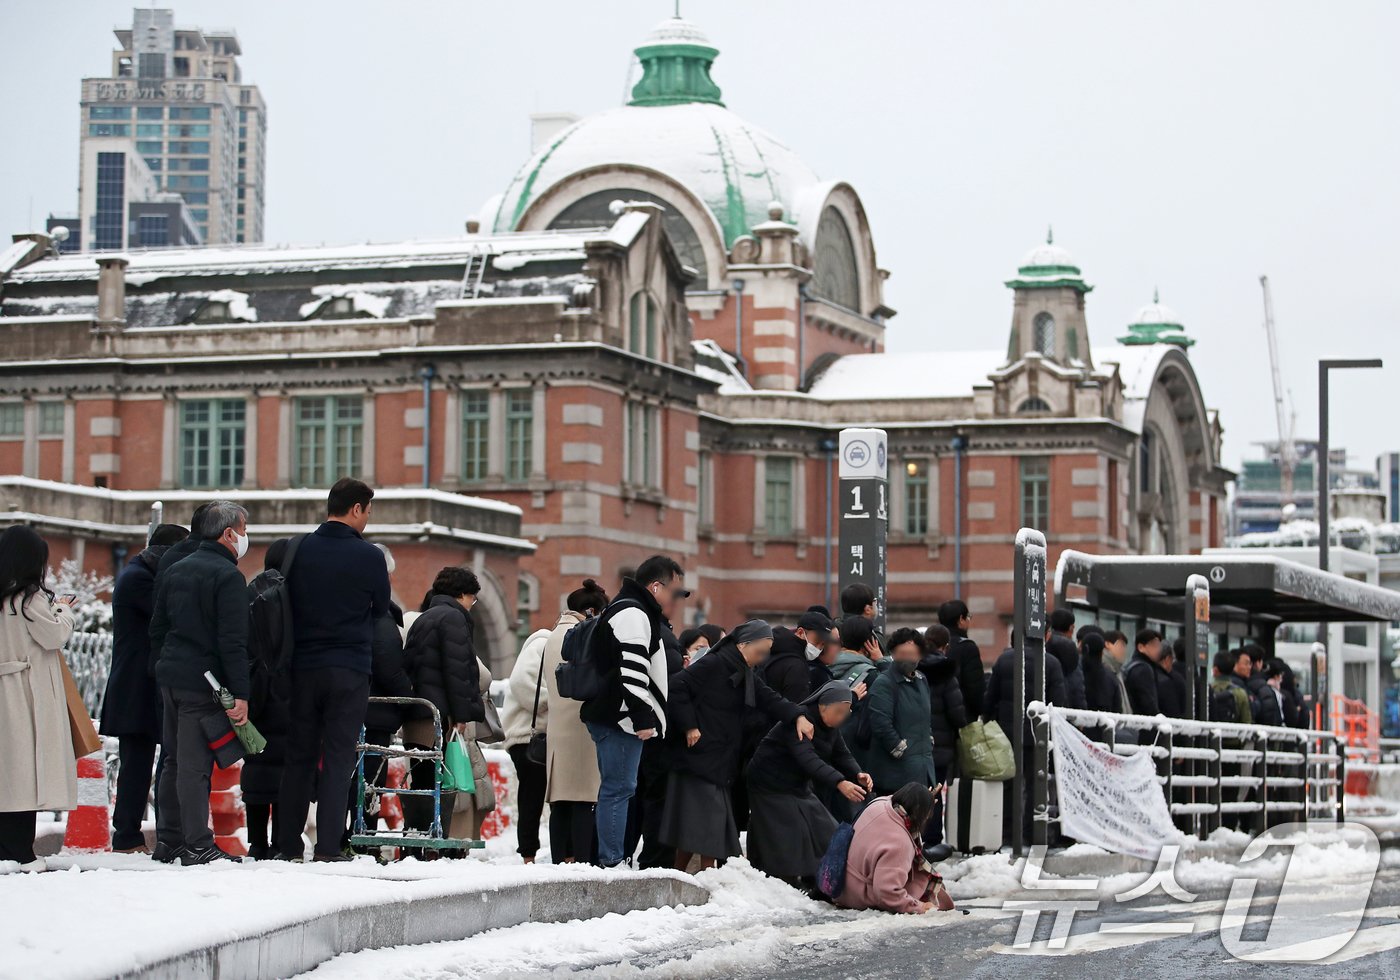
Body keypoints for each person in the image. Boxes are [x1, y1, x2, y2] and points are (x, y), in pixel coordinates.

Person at [277, 478, 390, 862]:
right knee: (339, 757)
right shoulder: (370, 557)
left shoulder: (299, 549)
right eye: (368, 511)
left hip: (302, 667)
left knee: (298, 757)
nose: (367, 519)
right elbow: (379, 610)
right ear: (357, 509)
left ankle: (287, 845)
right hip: (349, 668)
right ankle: (328, 847)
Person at [662, 620, 813, 872]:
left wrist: (797, 715)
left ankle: (681, 875)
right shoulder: (714, 662)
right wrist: (689, 725)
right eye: (761, 652)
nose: (763, 659)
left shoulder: (744, 671)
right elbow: (677, 686)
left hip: (720, 757)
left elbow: (770, 698)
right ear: (743, 645)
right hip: (700, 755)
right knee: (705, 824)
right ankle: (704, 876)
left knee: (699, 825)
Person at [149, 501, 251, 865]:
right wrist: (240, 693)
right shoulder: (227, 577)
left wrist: (163, 665)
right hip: (203, 681)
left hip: (171, 677)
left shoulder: (176, 569)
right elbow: (233, 642)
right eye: (242, 529)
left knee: (174, 760)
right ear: (227, 533)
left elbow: (157, 628)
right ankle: (197, 844)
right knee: (195, 765)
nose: (244, 537)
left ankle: (169, 840)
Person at [579, 555, 684, 868]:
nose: (675, 599)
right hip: (620, 718)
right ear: (656, 587)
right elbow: (633, 670)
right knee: (619, 789)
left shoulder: (631, 609)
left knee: (618, 788)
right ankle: (611, 860)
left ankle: (610, 858)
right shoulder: (634, 614)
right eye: (674, 591)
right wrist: (642, 717)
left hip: (616, 715)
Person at [100, 522, 189, 853]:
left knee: (153, 760)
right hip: (136, 685)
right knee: (136, 762)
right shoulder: (138, 578)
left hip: (146, 681)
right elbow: (167, 614)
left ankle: (145, 833)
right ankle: (126, 835)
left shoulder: (143, 572)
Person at [0, 526, 78, 869]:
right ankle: (19, 851)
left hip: (6, 683)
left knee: (7, 770)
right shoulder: (28, 599)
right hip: (23, 690)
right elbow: (54, 635)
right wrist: (63, 608)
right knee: (25, 772)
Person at [746, 682, 872, 888]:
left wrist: (857, 773)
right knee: (787, 834)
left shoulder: (831, 726)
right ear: (823, 705)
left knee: (825, 829)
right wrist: (840, 782)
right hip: (769, 784)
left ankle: (820, 879)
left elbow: (842, 753)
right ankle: (785, 882)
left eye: (845, 713)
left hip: (798, 785)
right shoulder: (800, 722)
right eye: (838, 712)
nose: (841, 718)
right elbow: (809, 759)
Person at [401, 567, 487, 841]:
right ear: (461, 594)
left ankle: (415, 841)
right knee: (437, 783)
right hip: (437, 718)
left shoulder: (426, 617)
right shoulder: (453, 618)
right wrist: (462, 716)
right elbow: (458, 670)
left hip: (418, 715)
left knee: (421, 780)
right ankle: (431, 842)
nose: (472, 605)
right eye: (472, 598)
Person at [342, 543, 413, 854]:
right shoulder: (381, 618)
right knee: (369, 783)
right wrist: (410, 697)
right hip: (375, 714)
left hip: (354, 709)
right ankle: (363, 840)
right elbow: (388, 667)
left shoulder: (349, 611)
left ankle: (352, 836)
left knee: (355, 778)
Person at [542, 579, 609, 864]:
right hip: (582, 727)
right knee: (583, 799)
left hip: (557, 728)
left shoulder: (551, 636)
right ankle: (581, 861)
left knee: (560, 801)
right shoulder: (586, 634)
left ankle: (560, 859)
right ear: (592, 610)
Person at [983, 632, 1067, 845]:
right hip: (1037, 735)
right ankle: (1032, 834)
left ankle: (1008, 834)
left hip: (1007, 734)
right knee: (1035, 785)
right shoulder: (1052, 663)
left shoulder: (1004, 659)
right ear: (1045, 635)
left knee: (1009, 785)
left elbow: (990, 697)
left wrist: (990, 722)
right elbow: (1059, 702)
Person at [241, 539, 293, 860]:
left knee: (256, 762)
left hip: (254, 690)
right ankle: (280, 841)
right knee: (286, 769)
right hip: (287, 692)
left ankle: (257, 841)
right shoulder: (293, 594)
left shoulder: (250, 590)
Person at [834, 783, 939, 915]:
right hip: (855, 894)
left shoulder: (879, 803)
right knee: (922, 884)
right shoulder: (900, 841)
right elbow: (887, 892)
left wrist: (923, 799)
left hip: (840, 879)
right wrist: (920, 907)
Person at [502, 616, 554, 864]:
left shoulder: (543, 645)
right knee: (532, 796)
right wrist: (552, 703)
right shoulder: (542, 644)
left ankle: (531, 852)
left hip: (533, 736)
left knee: (534, 795)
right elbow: (521, 682)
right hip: (529, 736)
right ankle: (528, 853)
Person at [864, 629, 936, 796]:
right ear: (893, 654)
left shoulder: (921, 680)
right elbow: (880, 724)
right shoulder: (884, 683)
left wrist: (928, 739)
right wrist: (898, 749)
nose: (907, 659)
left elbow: (925, 718)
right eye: (902, 654)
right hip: (894, 773)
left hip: (922, 767)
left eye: (912, 654)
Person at [918, 624, 966, 850]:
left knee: (916, 789)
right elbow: (957, 714)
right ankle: (933, 838)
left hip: (917, 742)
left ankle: (914, 835)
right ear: (945, 647)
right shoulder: (947, 675)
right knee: (936, 792)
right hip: (941, 745)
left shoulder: (912, 668)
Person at [939, 600, 985, 720]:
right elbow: (974, 688)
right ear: (961, 619)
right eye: (968, 617)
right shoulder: (967, 647)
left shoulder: (932, 644)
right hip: (963, 716)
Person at [1046, 609, 1086, 709]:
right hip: (1065, 707)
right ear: (1070, 628)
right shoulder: (1071, 650)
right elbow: (1076, 683)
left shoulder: (1044, 645)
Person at [1122, 629, 1165, 717]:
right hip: (1143, 724)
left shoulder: (1131, 666)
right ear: (1141, 647)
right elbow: (1147, 701)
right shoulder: (1143, 669)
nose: (1158, 650)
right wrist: (1157, 717)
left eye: (1159, 646)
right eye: (1154, 646)